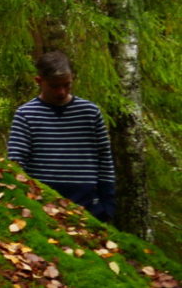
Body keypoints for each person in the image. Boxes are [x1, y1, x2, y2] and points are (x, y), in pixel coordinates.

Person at [7, 51, 116, 222]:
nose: (61, 92)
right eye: (54, 86)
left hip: (88, 205)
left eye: (67, 85)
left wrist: (107, 205)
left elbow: (104, 158)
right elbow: (17, 161)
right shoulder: (26, 114)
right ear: (39, 81)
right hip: (43, 203)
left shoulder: (89, 112)